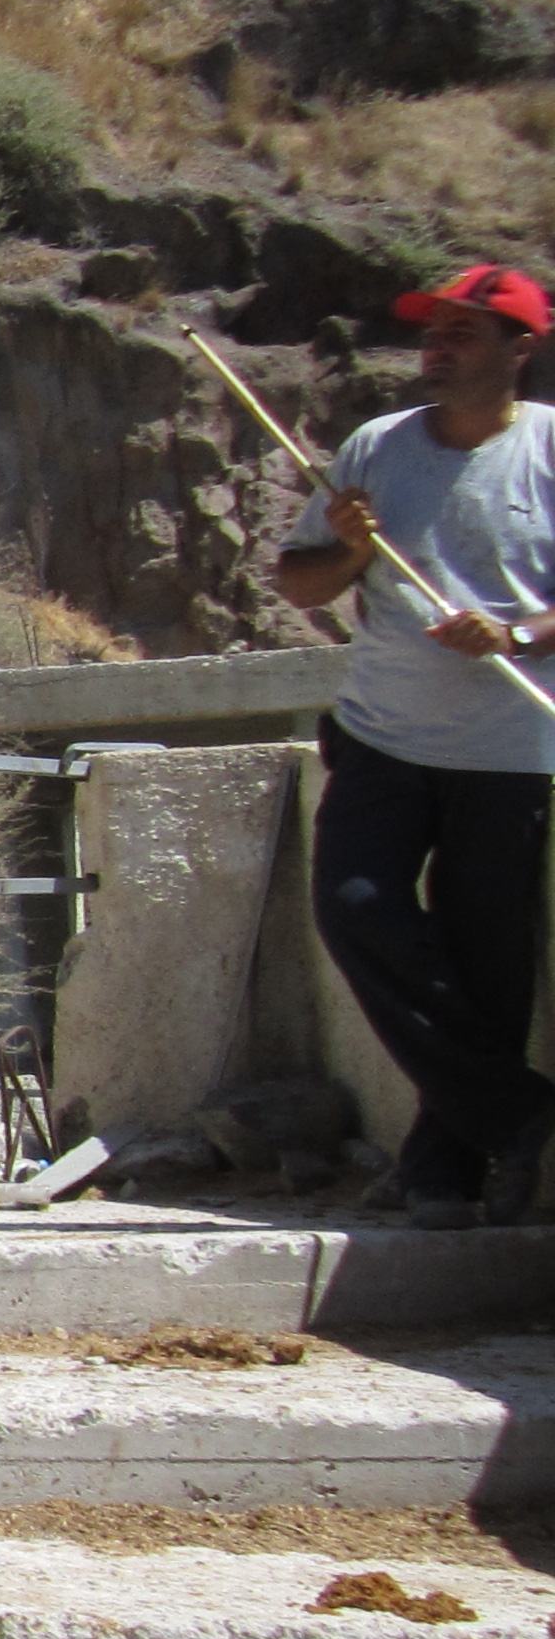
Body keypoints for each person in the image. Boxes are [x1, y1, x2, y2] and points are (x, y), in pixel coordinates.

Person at [269, 262, 555, 1229]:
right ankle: (521, 1112)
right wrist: (352, 550)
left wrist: (514, 634)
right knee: (355, 909)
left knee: (488, 962)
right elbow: (301, 583)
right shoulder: (376, 446)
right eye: (433, 329)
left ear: (521, 348)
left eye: (464, 332)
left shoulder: (550, 448)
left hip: (509, 751)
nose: (437, 346)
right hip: (381, 736)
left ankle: (445, 1175)